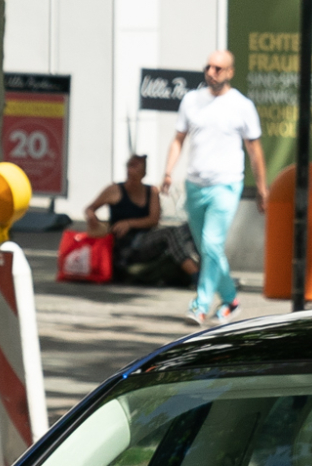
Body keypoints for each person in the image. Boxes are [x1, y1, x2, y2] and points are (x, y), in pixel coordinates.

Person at [159, 51, 267, 328]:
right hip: (195, 186)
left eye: (218, 68)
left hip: (226, 185)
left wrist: (263, 189)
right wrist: (169, 171)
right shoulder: (191, 101)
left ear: (230, 72)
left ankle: (200, 305)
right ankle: (231, 299)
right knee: (208, 249)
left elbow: (254, 150)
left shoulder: (242, 105)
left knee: (211, 244)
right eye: (208, 66)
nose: (211, 72)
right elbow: (178, 140)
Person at [85, 154, 192, 283]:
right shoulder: (114, 190)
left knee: (186, 229)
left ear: (143, 172)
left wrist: (129, 223)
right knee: (169, 233)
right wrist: (92, 218)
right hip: (124, 246)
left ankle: (196, 267)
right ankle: (195, 273)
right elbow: (90, 208)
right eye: (130, 166)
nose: (131, 171)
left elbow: (154, 219)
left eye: (136, 167)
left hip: (145, 241)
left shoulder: (151, 191)